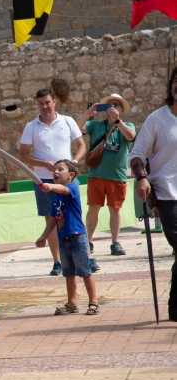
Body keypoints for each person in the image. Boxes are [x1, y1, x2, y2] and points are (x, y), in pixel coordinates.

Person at [19, 88, 87, 276]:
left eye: (47, 102)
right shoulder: (31, 126)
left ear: (54, 101)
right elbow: (23, 155)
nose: (44, 106)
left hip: (67, 180)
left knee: (73, 215)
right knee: (51, 218)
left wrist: (73, 163)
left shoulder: (67, 121)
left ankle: (83, 257)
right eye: (41, 103)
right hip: (43, 179)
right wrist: (45, 164)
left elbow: (81, 145)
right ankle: (58, 261)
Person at [130, 66, 177, 321]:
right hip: (168, 192)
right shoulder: (157, 119)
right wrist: (141, 177)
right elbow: (137, 154)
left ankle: (175, 307)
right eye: (176, 81)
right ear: (171, 86)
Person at [76, 94, 136, 258]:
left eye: (117, 105)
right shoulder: (96, 125)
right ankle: (88, 241)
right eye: (110, 105)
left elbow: (131, 136)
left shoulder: (127, 125)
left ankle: (115, 242)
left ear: (122, 109)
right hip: (97, 175)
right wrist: (88, 113)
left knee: (115, 210)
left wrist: (117, 121)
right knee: (93, 208)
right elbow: (76, 128)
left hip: (117, 176)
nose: (113, 107)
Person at [36, 160, 99, 315]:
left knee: (84, 271)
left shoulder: (72, 189)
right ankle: (71, 303)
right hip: (63, 239)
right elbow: (53, 219)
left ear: (71, 175)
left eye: (60, 169)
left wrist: (50, 186)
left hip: (77, 237)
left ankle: (93, 302)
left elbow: (63, 189)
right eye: (54, 170)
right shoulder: (56, 198)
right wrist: (44, 236)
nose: (55, 172)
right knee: (68, 273)